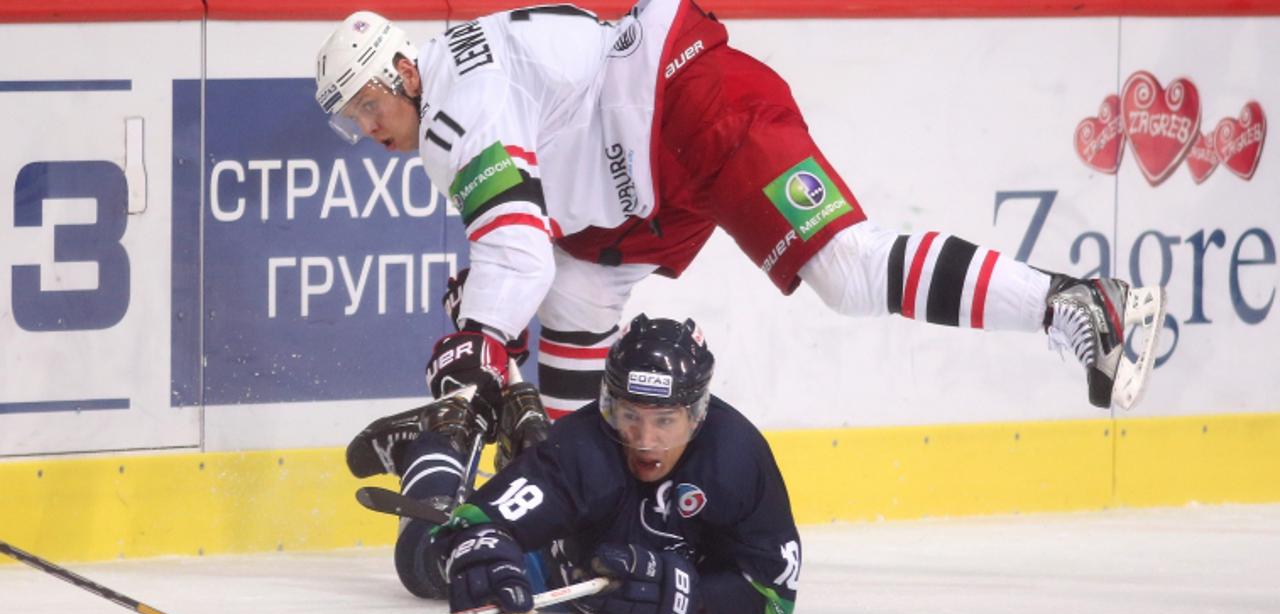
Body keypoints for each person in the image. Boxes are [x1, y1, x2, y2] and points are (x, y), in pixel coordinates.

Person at [315, 2, 1167, 423]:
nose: (365, 129)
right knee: (573, 298)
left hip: (692, 112)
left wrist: (479, 336)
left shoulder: (457, 101)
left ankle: (1075, 303)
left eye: (363, 108)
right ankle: (577, 504)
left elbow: (516, 256)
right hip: (646, 171)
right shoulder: (458, 76)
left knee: (850, 270)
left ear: (403, 69)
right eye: (351, 118)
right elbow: (531, 246)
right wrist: (489, 324)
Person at [348, 314, 801, 614]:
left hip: (579, 516)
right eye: (629, 415)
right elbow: (472, 529)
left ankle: (527, 434)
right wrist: (482, 552)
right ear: (609, 404)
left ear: (697, 415)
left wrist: (694, 597)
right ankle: (436, 440)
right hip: (550, 557)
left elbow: (775, 593)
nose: (644, 439)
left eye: (665, 420)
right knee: (423, 563)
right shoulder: (584, 448)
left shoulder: (736, 458)